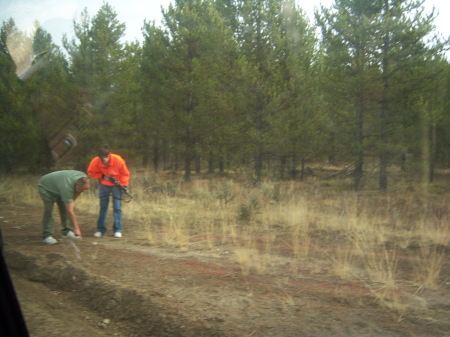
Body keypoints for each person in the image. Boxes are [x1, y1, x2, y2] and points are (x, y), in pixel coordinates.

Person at [87, 146, 130, 238]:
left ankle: (117, 230)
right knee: (103, 207)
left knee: (117, 207)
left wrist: (123, 186)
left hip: (117, 185)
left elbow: (125, 174)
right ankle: (100, 230)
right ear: (99, 157)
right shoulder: (95, 161)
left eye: (105, 158)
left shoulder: (118, 160)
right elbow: (91, 172)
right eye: (101, 158)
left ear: (108, 155)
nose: (103, 160)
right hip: (103, 185)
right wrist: (102, 176)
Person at [38, 170, 90, 245]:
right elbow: (70, 210)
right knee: (49, 210)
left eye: (85, 190)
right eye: (82, 189)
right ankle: (47, 236)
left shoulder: (82, 178)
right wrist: (76, 229)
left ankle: (66, 231)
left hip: (59, 186)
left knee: (65, 208)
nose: (83, 192)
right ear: (77, 185)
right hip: (46, 187)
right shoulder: (67, 187)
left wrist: (72, 203)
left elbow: (76, 194)